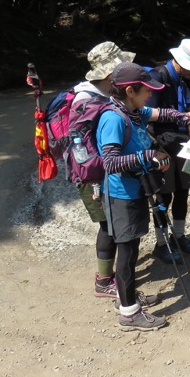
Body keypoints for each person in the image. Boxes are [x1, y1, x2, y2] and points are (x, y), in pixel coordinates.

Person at [97, 62, 190, 331]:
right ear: (130, 90)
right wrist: (150, 156)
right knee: (128, 251)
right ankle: (129, 313)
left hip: (133, 190)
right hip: (120, 195)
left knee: (131, 248)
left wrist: (185, 120)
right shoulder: (113, 118)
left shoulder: (133, 111)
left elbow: (163, 113)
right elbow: (109, 162)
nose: (150, 94)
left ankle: (129, 297)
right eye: (146, 90)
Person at [73, 41, 135, 299]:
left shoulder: (103, 96)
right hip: (95, 176)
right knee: (108, 226)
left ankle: (110, 274)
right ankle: (103, 281)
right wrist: (98, 180)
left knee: (110, 225)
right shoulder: (87, 102)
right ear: (111, 74)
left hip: (104, 173)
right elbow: (82, 149)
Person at [147, 38, 190, 263]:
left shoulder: (183, 79)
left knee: (183, 191)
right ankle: (162, 243)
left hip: (181, 143)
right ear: (180, 61)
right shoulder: (157, 78)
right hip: (160, 147)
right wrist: (187, 117)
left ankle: (179, 236)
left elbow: (184, 110)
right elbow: (147, 113)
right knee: (163, 196)